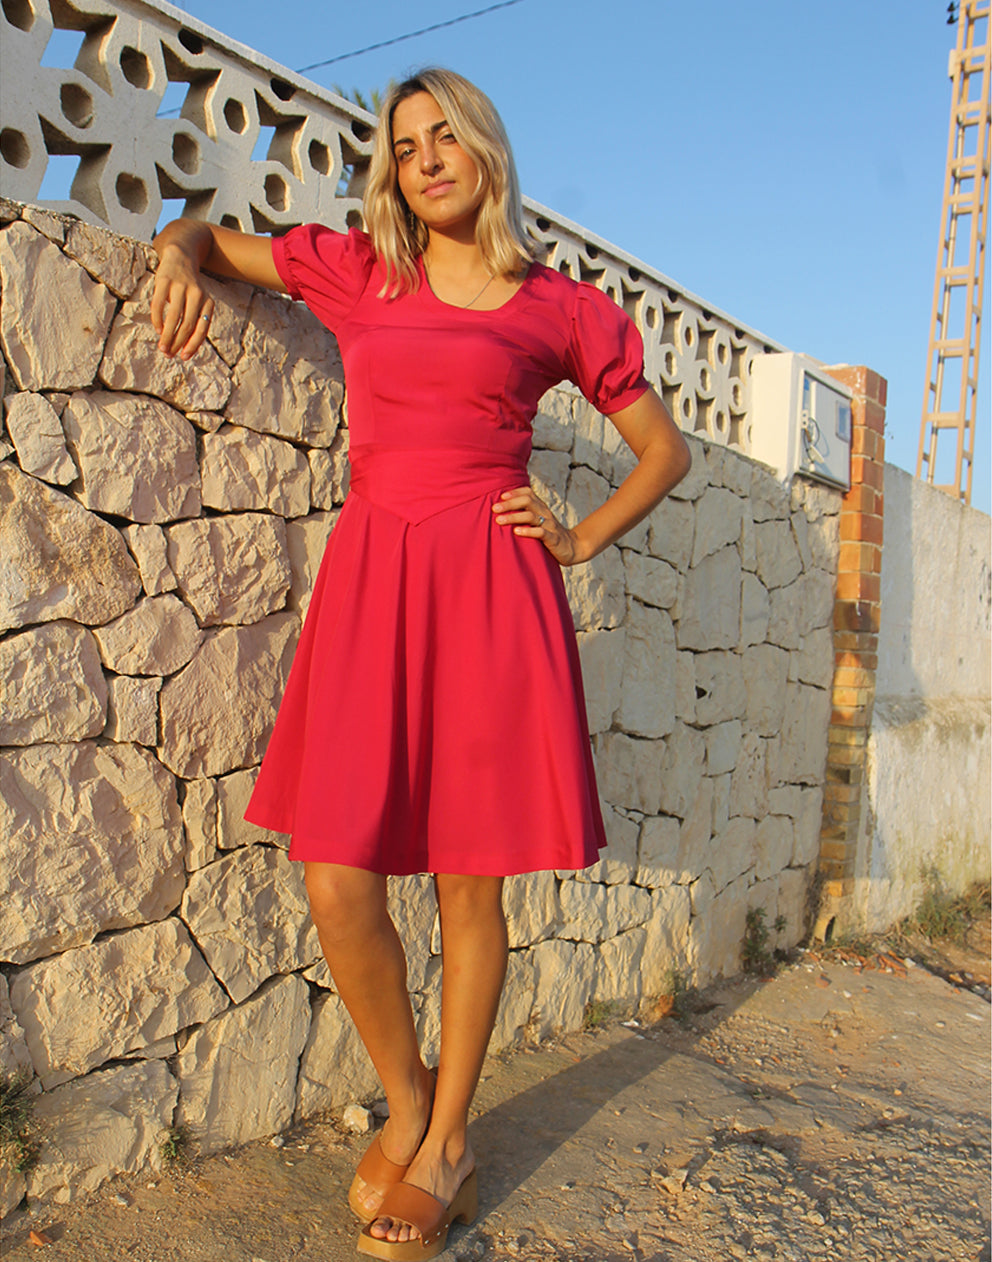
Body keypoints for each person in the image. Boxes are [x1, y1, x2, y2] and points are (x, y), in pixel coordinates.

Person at [152, 67, 690, 1260]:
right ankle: (406, 1094)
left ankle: (444, 1138)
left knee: (467, 880)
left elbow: (662, 448)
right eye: (404, 145)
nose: (426, 157)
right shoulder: (359, 271)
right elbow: (206, 234)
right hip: (371, 585)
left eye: (446, 135)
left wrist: (579, 534)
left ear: (485, 150)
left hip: (492, 597)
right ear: (389, 170)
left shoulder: (557, 306)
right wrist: (179, 257)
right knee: (337, 875)